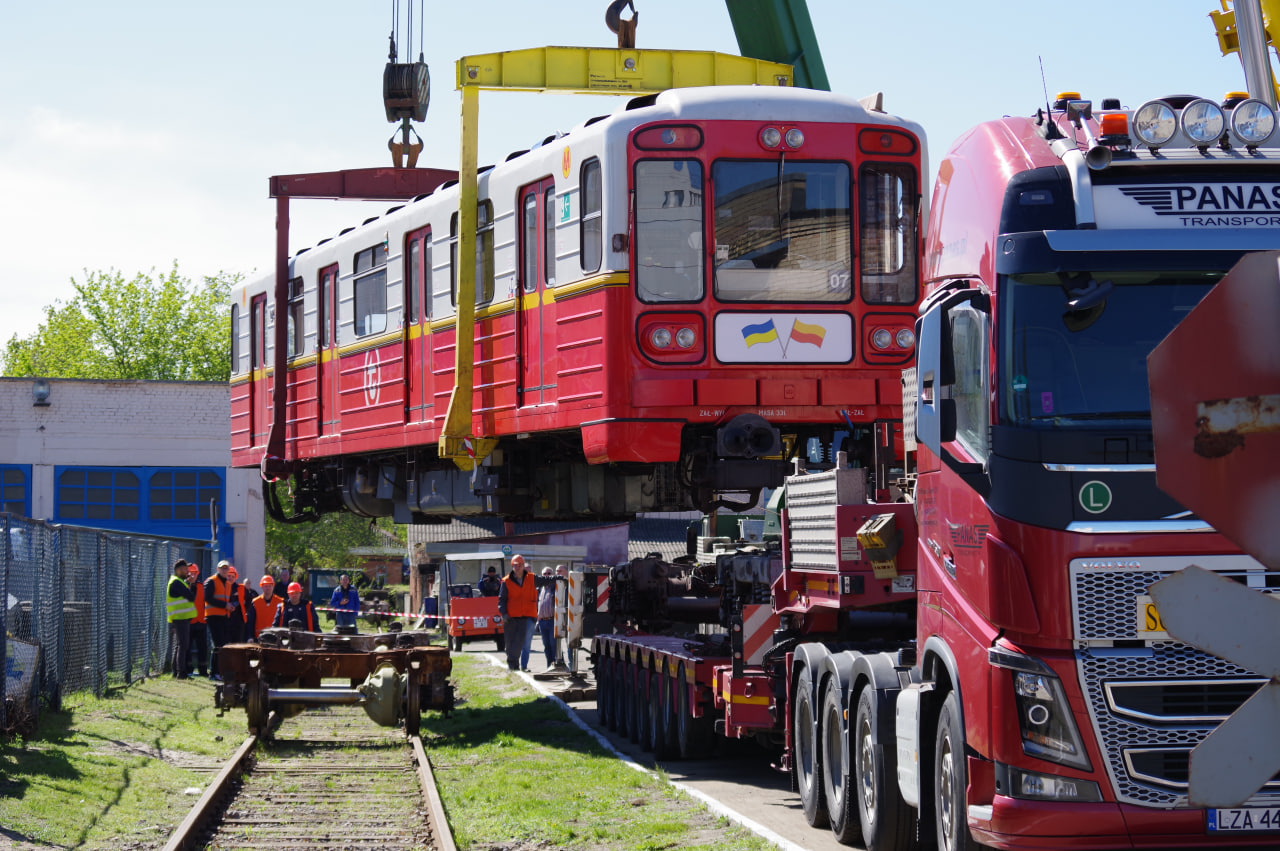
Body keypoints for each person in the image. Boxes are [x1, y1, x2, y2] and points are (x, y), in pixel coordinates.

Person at [497, 555, 555, 672]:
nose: (518, 568)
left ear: (523, 566)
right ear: (512, 566)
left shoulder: (532, 578)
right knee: (510, 643)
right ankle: (512, 665)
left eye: (520, 565)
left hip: (526, 616)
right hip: (511, 617)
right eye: (515, 566)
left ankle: (517, 666)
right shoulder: (506, 581)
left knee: (520, 642)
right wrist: (504, 614)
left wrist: (559, 577)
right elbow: (501, 599)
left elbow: (546, 580)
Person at [203, 559, 239, 681]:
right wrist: (225, 605)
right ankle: (213, 672)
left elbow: (224, 600)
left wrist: (230, 607)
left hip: (224, 616)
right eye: (222, 568)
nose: (224, 570)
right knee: (218, 645)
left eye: (226, 568)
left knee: (222, 645)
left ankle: (218, 671)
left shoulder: (228, 584)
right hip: (213, 616)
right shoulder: (211, 581)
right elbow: (207, 598)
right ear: (218, 569)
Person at [165, 560, 197, 679]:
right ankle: (181, 673)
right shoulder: (176, 582)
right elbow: (191, 597)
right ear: (178, 570)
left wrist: (188, 584)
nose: (187, 571)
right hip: (180, 618)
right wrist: (192, 584)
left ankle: (176, 671)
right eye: (184, 569)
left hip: (180, 617)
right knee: (183, 645)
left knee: (180, 645)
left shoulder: (179, 582)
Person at [188, 562, 210, 678]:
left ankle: (203, 670)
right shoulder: (183, 586)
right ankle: (189, 669)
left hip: (201, 622)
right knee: (187, 647)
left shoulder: (202, 587)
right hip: (189, 622)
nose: (192, 575)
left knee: (203, 648)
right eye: (190, 573)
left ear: (197, 574)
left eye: (194, 573)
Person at [247, 575, 283, 640]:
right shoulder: (255, 602)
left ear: (273, 586)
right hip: (259, 637)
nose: (268, 588)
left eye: (270, 586)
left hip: (276, 638)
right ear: (262, 587)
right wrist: (250, 637)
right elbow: (251, 622)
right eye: (265, 586)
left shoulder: (280, 602)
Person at [536, 567, 557, 670]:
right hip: (542, 621)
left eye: (549, 573)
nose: (547, 575)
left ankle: (556, 664)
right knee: (546, 645)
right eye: (544, 573)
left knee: (554, 645)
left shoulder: (556, 588)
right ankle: (549, 665)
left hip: (552, 620)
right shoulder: (540, 588)